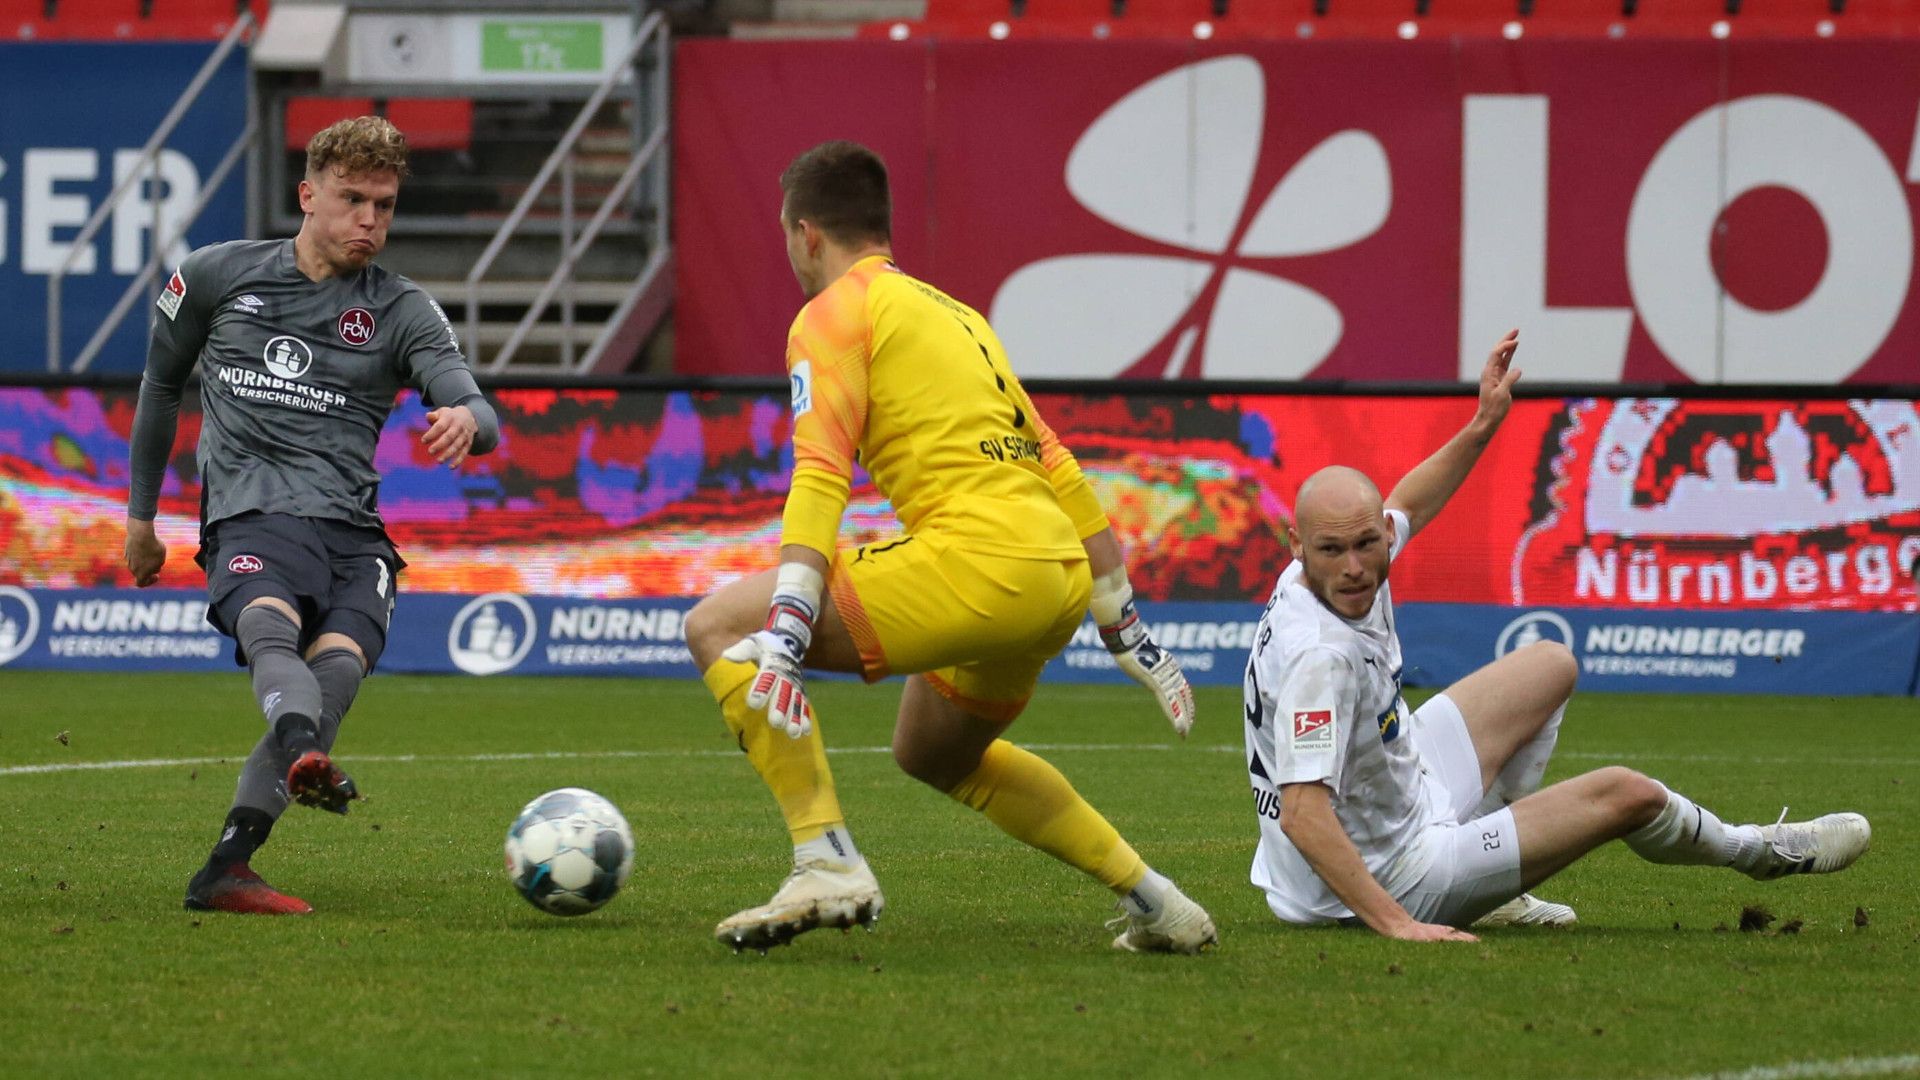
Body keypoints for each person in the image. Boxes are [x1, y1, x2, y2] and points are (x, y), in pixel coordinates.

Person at [684, 140, 1212, 954]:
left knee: (716, 627)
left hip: (979, 565)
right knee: (934, 752)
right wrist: (1124, 624)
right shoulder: (959, 315)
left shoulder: (828, 316)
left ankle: (825, 859)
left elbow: (819, 475)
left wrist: (787, 628)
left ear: (807, 235)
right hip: (1056, 578)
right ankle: (1157, 902)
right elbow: (1055, 460)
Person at [1241, 330, 1871, 940]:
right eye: (1333, 550)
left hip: (1400, 786)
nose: (1354, 566)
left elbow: (1414, 502)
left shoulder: (1334, 560)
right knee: (1625, 793)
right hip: (1391, 875)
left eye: (1366, 543)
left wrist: (1484, 421)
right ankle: (1756, 850)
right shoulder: (1320, 657)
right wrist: (1399, 924)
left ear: (1378, 531)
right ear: (1298, 545)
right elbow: (1303, 814)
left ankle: (1495, 888)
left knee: (1549, 664)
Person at [124, 116, 500, 915]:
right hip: (252, 511)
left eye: (386, 205)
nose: (370, 220)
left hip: (354, 533)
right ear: (307, 194)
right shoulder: (217, 275)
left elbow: (474, 401)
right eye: (352, 199)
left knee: (338, 669)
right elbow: (160, 388)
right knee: (267, 620)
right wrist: (141, 519)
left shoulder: (402, 309)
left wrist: (468, 419)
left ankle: (227, 868)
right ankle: (302, 751)